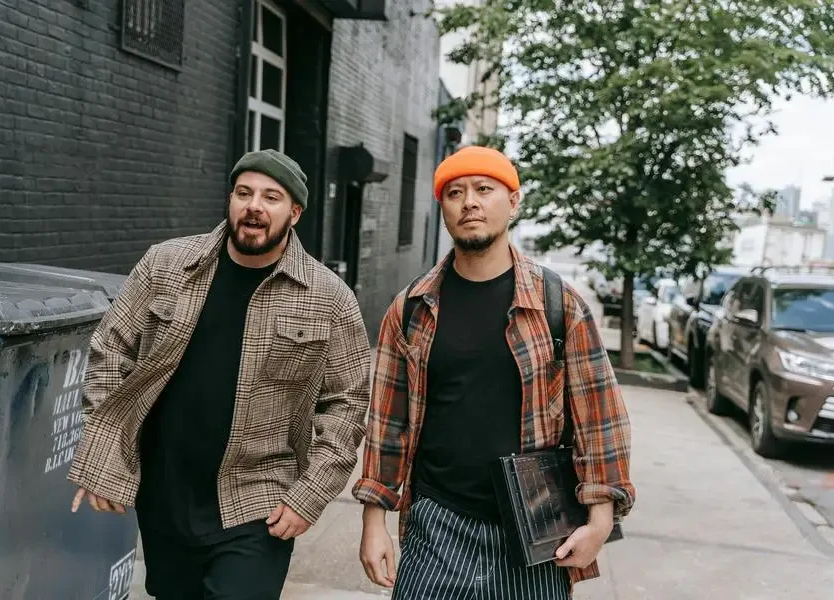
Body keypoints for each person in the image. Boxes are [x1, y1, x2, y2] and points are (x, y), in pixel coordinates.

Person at [67, 149, 372, 600]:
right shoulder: (166, 265)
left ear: (295, 213)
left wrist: (311, 493)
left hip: (257, 501)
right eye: (244, 193)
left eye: (272, 197)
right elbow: (111, 352)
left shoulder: (329, 299)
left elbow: (347, 405)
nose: (254, 205)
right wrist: (105, 454)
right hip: (166, 493)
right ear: (230, 200)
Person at [354, 146, 635, 599]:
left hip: (536, 532)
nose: (470, 202)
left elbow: (599, 416)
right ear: (442, 207)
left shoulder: (557, 304)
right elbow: (388, 424)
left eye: (485, 189)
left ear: (514, 201)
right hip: (436, 524)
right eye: (455, 192)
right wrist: (373, 522)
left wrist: (600, 519)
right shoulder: (410, 310)